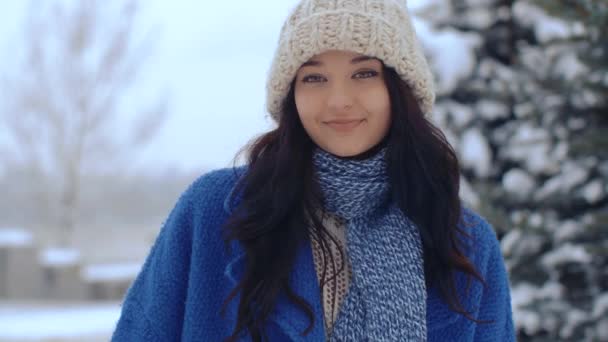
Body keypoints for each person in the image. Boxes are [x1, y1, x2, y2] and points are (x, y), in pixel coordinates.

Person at [112, 0, 515, 341]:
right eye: (315, 77)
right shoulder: (215, 210)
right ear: (291, 96)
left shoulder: (466, 243)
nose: (339, 100)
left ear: (401, 89)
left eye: (364, 73)